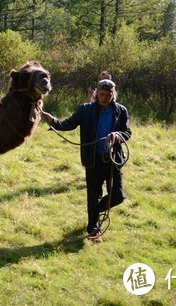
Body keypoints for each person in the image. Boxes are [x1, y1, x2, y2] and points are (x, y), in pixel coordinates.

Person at [42, 79, 131, 243]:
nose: (104, 98)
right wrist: (52, 120)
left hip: (113, 160)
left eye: (108, 95)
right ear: (97, 93)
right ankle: (93, 229)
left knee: (118, 195)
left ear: (114, 94)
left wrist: (118, 136)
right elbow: (68, 124)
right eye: (102, 94)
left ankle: (94, 214)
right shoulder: (86, 110)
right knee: (94, 195)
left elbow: (127, 132)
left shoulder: (121, 111)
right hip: (93, 160)